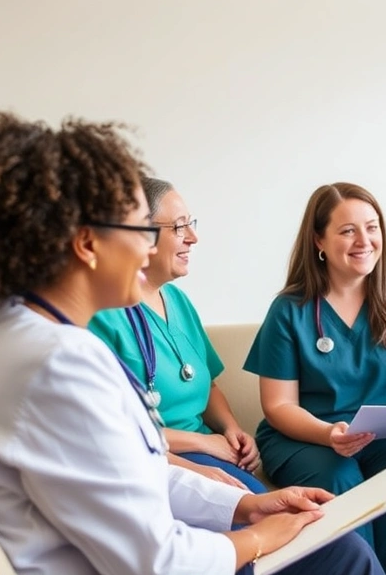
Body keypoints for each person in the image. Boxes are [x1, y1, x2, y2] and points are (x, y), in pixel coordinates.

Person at [0, 112, 383, 575]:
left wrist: (245, 505)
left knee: (339, 549)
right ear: (87, 244)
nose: (150, 252)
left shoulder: (7, 333)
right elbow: (156, 560)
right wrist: (253, 539)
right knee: (342, 556)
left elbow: (132, 474)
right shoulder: (61, 365)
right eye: (142, 231)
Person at [244, 182, 386, 575]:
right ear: (319, 239)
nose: (364, 241)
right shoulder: (291, 309)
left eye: (372, 227)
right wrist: (329, 435)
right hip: (307, 437)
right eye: (347, 230)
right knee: (339, 476)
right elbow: (278, 405)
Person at [90, 177, 265, 493]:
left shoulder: (178, 301)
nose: (193, 238)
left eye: (190, 224)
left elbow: (208, 383)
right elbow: (114, 430)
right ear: (141, 233)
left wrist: (232, 430)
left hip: (209, 449)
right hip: (162, 459)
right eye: (180, 227)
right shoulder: (103, 317)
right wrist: (204, 444)